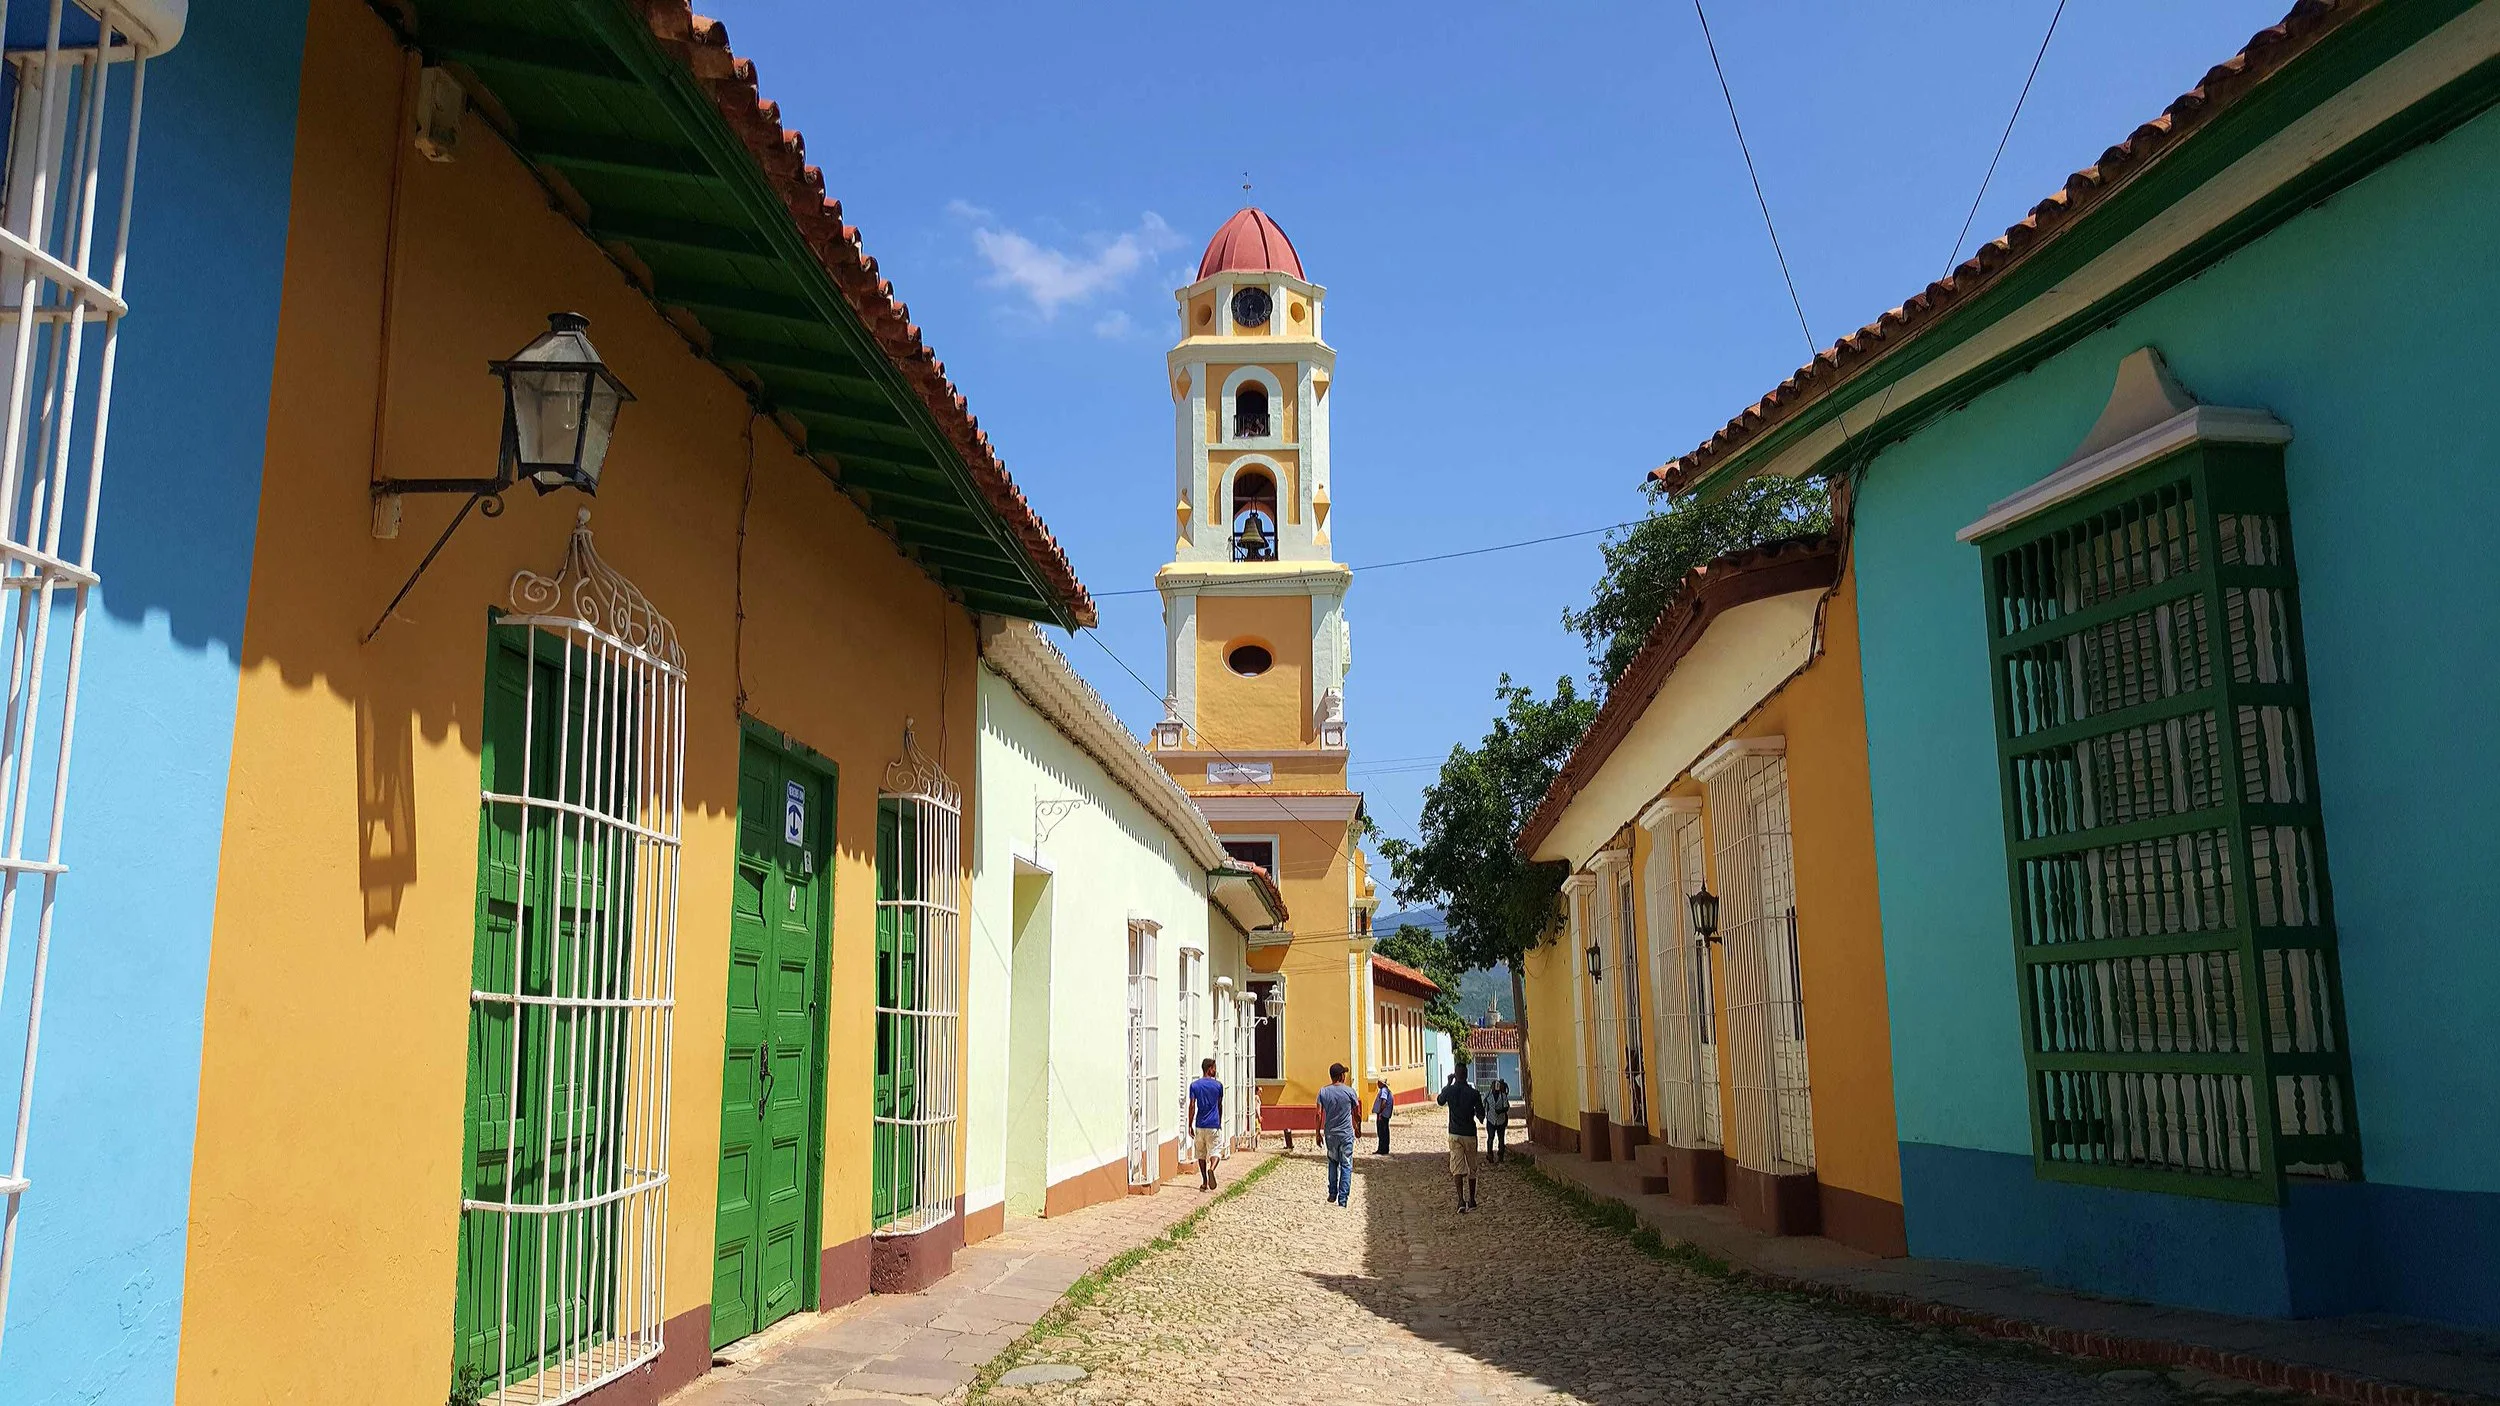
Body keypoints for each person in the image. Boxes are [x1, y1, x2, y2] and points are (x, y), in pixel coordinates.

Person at [1436, 1066, 1484, 1212]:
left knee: (1457, 1168)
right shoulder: (1474, 1093)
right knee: (1472, 1168)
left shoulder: (1450, 1091)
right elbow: (1481, 1115)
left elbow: (1440, 1100)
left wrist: (1448, 1084)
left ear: (1455, 1075)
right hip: (1469, 1133)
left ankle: (1461, 1201)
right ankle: (1472, 1199)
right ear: (1467, 1075)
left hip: (1455, 1133)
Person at [1315, 1062, 1359, 1207]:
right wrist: (1358, 1127)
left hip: (1330, 1134)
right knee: (1346, 1164)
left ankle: (1332, 1192)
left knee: (1333, 1162)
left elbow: (1318, 1114)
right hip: (1346, 1133)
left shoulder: (1323, 1092)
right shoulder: (1350, 1092)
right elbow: (1356, 1112)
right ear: (1341, 1076)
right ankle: (1343, 1199)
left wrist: (1317, 1133)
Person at [1188, 1057, 1225, 1190]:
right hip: (1213, 1124)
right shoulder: (1218, 1086)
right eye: (1214, 1068)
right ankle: (1212, 1169)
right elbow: (1219, 1105)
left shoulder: (1194, 1085)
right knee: (1215, 1151)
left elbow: (1192, 1105)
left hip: (1200, 1124)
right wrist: (1219, 1121)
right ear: (1209, 1069)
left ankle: (1204, 1181)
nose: (1215, 1070)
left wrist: (1189, 1124)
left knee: (1201, 1154)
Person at [1486, 1078, 1511, 1164]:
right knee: (1490, 1137)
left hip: (1501, 1120)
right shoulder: (1488, 1095)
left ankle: (1501, 1156)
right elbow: (1484, 1105)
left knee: (1501, 1138)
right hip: (1491, 1120)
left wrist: (1500, 1110)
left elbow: (1506, 1107)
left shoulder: (1503, 1096)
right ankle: (1489, 1154)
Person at [1372, 1078, 1394, 1155]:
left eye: (1378, 1082)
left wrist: (1380, 1113)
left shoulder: (1384, 1090)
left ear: (1381, 1083)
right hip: (1386, 1114)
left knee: (1381, 1132)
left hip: (1383, 1114)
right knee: (1385, 1131)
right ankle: (1384, 1148)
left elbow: (1384, 1101)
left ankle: (1382, 1149)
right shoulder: (1387, 1090)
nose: (1377, 1084)